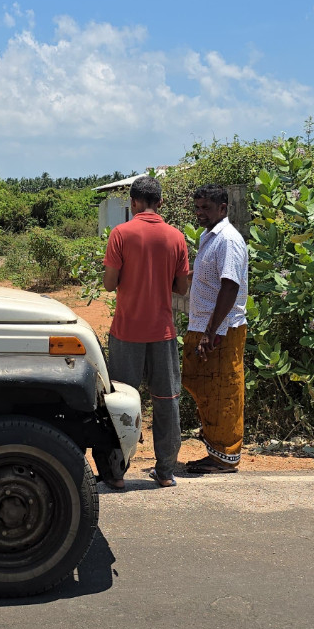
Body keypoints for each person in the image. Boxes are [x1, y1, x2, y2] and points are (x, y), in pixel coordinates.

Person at [99, 175, 191, 490]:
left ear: (133, 202)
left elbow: (110, 284)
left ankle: (117, 473)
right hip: (163, 332)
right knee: (167, 399)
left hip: (126, 331)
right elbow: (182, 286)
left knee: (120, 401)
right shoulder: (176, 237)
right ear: (160, 203)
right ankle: (165, 472)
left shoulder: (120, 234)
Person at [182, 184, 249, 474]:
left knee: (223, 392)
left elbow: (230, 285)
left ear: (223, 208)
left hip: (220, 331)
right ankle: (215, 446)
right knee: (204, 387)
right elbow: (212, 276)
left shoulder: (229, 239)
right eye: (197, 207)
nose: (199, 213)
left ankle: (224, 456)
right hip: (204, 328)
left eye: (205, 207)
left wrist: (210, 332)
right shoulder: (209, 237)